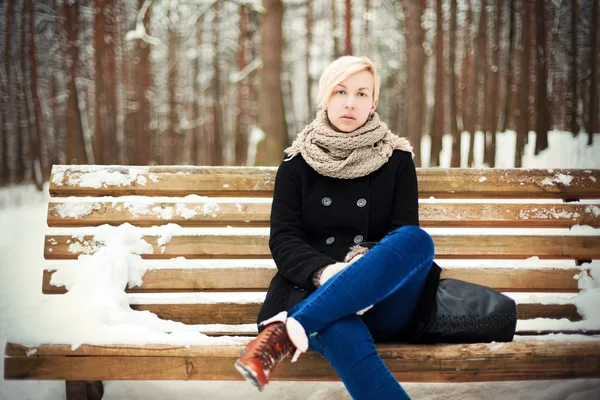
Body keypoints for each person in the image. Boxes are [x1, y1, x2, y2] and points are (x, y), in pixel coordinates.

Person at [234, 56, 442, 400]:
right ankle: (309, 316)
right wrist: (328, 274)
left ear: (373, 102)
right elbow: (284, 239)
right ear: (325, 98)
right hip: (311, 288)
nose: (350, 102)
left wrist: (362, 268)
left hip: (383, 297)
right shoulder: (296, 163)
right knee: (338, 326)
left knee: (416, 240)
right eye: (340, 91)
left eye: (362, 94)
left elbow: (401, 238)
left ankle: (292, 327)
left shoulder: (397, 160)